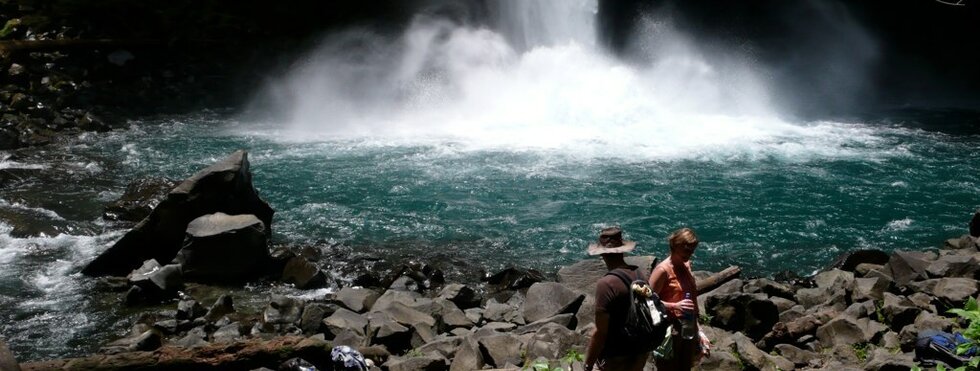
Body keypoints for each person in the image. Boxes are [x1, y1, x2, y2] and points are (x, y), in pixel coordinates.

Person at [583, 226, 650, 371]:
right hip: (639, 351)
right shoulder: (638, 273)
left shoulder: (606, 284)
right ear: (623, 251)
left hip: (616, 356)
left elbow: (601, 333)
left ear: (603, 255)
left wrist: (588, 364)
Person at [649, 227, 711, 371]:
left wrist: (699, 330)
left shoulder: (687, 265)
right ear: (675, 246)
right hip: (669, 330)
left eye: (692, 250)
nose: (690, 254)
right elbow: (648, 301)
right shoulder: (662, 270)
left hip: (688, 327)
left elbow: (693, 300)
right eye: (687, 250)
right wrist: (674, 306)